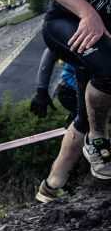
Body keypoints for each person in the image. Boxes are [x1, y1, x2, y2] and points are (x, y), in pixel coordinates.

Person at [38, 0, 111, 182]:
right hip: (69, 23)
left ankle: (51, 186)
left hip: (105, 35)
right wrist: (87, 13)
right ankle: (98, 140)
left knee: (83, 118)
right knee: (109, 69)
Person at [30, 47, 82, 202]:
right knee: (84, 130)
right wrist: (41, 90)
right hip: (73, 89)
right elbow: (51, 51)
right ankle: (55, 185)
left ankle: (58, 185)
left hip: (92, 88)